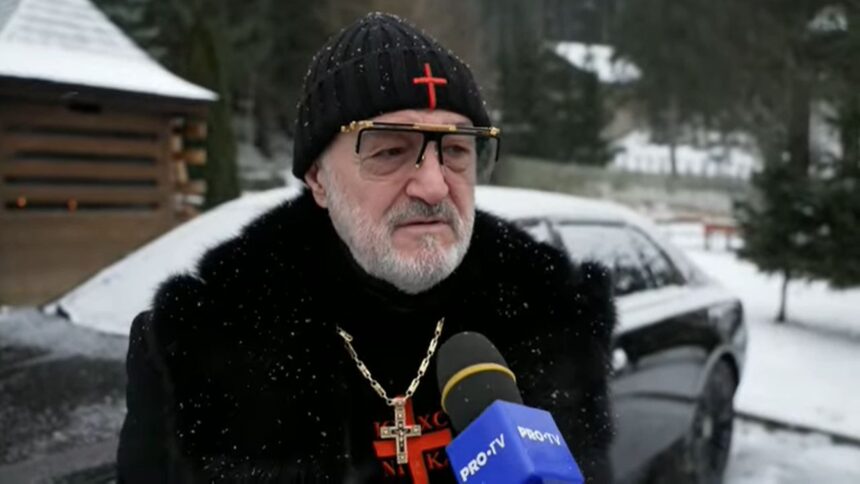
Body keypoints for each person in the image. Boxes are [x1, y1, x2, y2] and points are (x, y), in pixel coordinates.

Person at [117, 12, 616, 484]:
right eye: (391, 150)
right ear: (318, 178)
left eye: (456, 150)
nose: (434, 186)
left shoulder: (548, 319)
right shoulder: (206, 342)